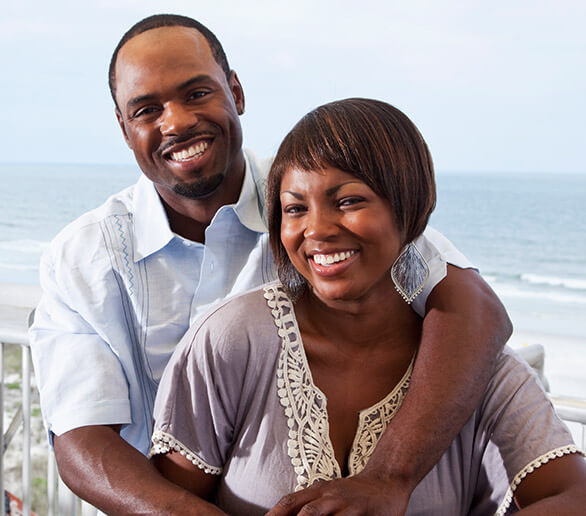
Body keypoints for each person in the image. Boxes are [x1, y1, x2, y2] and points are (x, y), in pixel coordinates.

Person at [29, 14, 512, 515]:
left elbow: (475, 309)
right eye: (147, 110)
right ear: (125, 129)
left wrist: (387, 477)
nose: (176, 122)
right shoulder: (85, 254)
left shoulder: (310, 205)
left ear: (235, 92)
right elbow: (81, 438)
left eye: (196, 94)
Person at [151, 98, 586, 515]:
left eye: (348, 201)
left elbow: (574, 497)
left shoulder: (481, 371)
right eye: (295, 208)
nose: (316, 230)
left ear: (411, 207)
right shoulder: (231, 341)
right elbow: (166, 501)